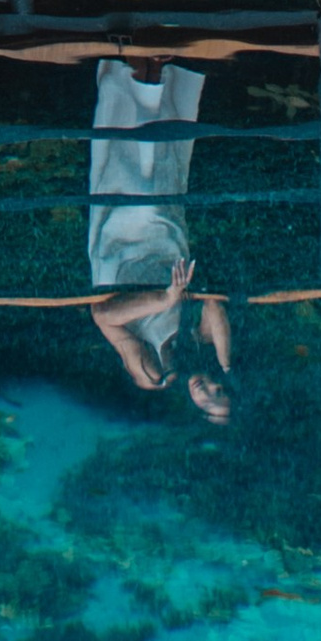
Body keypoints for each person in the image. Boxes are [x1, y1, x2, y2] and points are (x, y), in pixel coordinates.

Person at [86, 47, 231, 420]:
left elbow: (102, 316)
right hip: (165, 240)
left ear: (193, 408)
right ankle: (155, 74)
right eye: (220, 392)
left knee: (127, 170)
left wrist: (165, 300)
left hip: (121, 251)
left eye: (207, 401)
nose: (206, 390)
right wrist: (226, 365)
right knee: (163, 163)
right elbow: (212, 305)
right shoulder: (202, 351)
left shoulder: (151, 373)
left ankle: (134, 71)